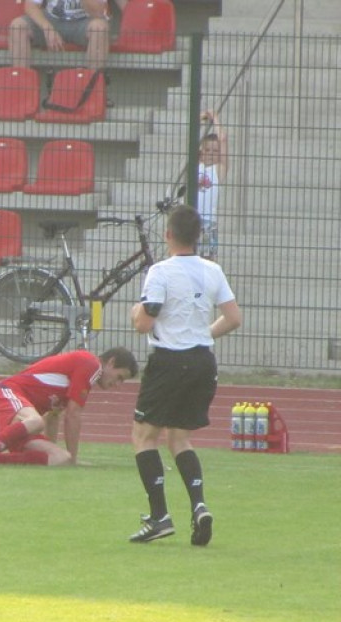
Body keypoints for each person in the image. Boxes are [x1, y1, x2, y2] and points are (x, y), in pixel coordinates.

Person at [128, 204, 242, 545]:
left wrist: (135, 311)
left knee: (144, 436)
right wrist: (202, 333)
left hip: (169, 362)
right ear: (198, 236)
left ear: (168, 235)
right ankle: (199, 506)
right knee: (179, 438)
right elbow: (234, 318)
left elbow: (144, 322)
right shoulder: (213, 270)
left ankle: (160, 516)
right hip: (203, 361)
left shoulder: (160, 272)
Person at [0, 347, 138, 468]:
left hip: (17, 424)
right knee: (36, 421)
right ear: (111, 363)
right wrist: (75, 458)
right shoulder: (92, 366)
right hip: (4, 394)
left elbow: (53, 416)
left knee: (61, 459)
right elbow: (73, 415)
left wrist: (58, 453)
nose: (118, 384)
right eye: (120, 377)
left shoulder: (73, 381)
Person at [10, 0, 127, 71]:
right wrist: (47, 28)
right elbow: (30, 6)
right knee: (18, 26)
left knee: (100, 29)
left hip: (83, 22)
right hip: (52, 20)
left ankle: (93, 86)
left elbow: (98, 13)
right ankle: (20, 85)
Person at [197, 109, 228, 260]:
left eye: (215, 151)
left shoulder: (218, 170)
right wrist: (199, 119)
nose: (210, 153)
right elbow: (192, 140)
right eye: (207, 149)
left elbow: (222, 139)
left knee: (209, 260)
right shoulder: (196, 166)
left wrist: (215, 117)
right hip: (193, 220)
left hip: (209, 222)